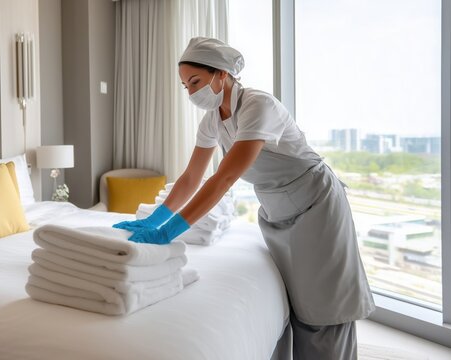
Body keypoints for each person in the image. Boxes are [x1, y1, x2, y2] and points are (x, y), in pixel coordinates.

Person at [113, 37, 375, 359]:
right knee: (298, 302)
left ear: (222, 74)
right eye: (185, 86)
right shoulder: (212, 120)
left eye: (195, 81)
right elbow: (191, 177)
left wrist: (170, 231)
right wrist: (156, 218)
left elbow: (223, 177)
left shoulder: (258, 106)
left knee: (324, 306)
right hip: (278, 212)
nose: (192, 92)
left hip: (317, 204)